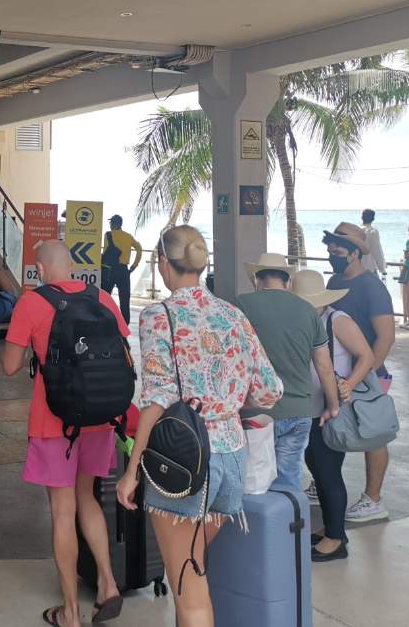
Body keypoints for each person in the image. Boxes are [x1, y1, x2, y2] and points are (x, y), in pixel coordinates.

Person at [117, 226, 283, 627]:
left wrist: (130, 470)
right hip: (230, 461)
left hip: (183, 464)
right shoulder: (232, 314)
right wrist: (223, 399)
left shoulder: (160, 316)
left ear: (161, 263)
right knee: (192, 573)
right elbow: (270, 389)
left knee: (190, 592)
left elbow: (157, 397)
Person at [1, 240, 129, 627]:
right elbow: (126, 357)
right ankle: (107, 583)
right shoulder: (103, 297)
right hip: (100, 417)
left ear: (40, 269)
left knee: (62, 511)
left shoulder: (32, 302)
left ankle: (70, 612)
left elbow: (8, 367)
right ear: (72, 265)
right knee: (87, 498)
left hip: (54, 422)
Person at [290, 270, 377, 562]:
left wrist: (346, 386)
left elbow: (367, 356)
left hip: (330, 407)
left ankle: (336, 538)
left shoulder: (337, 321)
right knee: (316, 463)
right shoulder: (305, 319)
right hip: (311, 406)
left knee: (327, 469)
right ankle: (332, 525)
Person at [235, 253, 339, 491]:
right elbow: (324, 367)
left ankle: (261, 527)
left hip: (256, 412)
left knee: (254, 481)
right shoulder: (308, 310)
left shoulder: (241, 305)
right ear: (288, 281)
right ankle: (287, 526)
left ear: (256, 279)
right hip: (299, 412)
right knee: (289, 478)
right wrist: (332, 405)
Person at [322, 222, 396, 524]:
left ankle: (373, 498)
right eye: (330, 245)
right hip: (338, 374)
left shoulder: (372, 287)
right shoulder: (333, 283)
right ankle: (324, 479)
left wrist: (365, 375)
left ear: (354, 253)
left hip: (369, 374)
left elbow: (386, 336)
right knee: (332, 427)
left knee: (374, 434)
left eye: (338, 247)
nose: (332, 251)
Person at [101, 214, 143, 324]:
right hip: (123, 270)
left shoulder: (108, 235)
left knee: (105, 297)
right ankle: (125, 325)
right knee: (124, 299)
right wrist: (134, 265)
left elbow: (106, 253)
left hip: (109, 270)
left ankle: (104, 321)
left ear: (114, 224)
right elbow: (139, 249)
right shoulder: (128, 237)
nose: (109, 225)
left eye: (110, 223)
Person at [360, 209, 387, 278]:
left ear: (362, 217)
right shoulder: (372, 232)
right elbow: (377, 252)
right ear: (373, 219)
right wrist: (382, 269)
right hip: (369, 269)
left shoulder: (357, 230)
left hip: (357, 269)